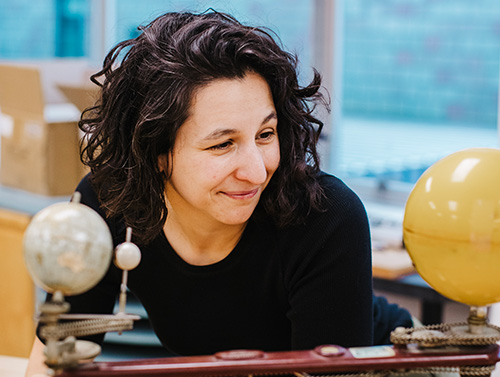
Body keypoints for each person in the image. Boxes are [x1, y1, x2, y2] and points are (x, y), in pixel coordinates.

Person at [26, 9, 377, 375]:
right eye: (223, 144)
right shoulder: (111, 201)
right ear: (156, 153)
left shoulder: (326, 217)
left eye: (265, 134)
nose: (257, 171)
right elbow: (54, 358)